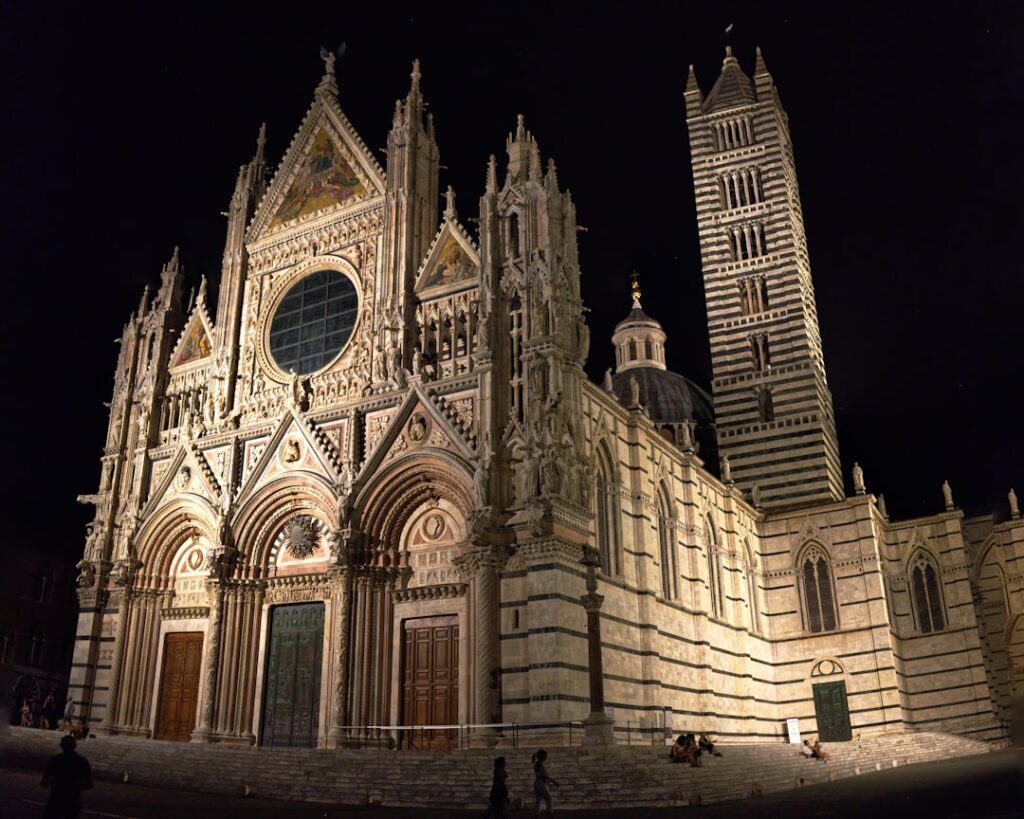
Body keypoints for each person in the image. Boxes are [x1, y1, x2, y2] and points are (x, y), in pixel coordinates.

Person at [41, 734, 93, 819]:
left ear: (61, 746)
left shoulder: (55, 760)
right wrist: (76, 786)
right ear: (75, 746)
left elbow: (44, 782)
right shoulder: (82, 762)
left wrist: (56, 782)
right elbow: (89, 784)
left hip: (57, 798)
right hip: (73, 799)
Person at [532, 749, 558, 816]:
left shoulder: (539, 764)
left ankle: (536, 813)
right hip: (540, 783)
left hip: (539, 783)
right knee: (548, 798)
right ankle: (550, 812)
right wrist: (553, 781)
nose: (546, 757)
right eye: (545, 756)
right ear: (542, 756)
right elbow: (540, 774)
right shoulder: (538, 764)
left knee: (539, 799)